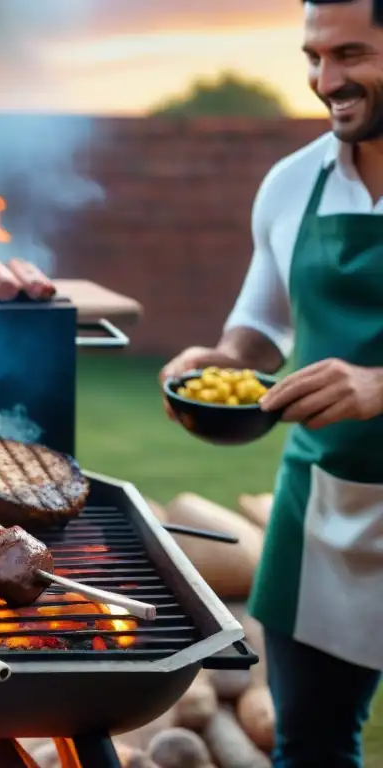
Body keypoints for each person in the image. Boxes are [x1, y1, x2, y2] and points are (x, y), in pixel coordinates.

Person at [159, 1, 383, 765]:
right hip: (323, 515)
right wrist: (216, 363)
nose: (327, 81)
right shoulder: (293, 183)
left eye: (350, 54)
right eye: (314, 57)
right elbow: (258, 328)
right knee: (311, 746)